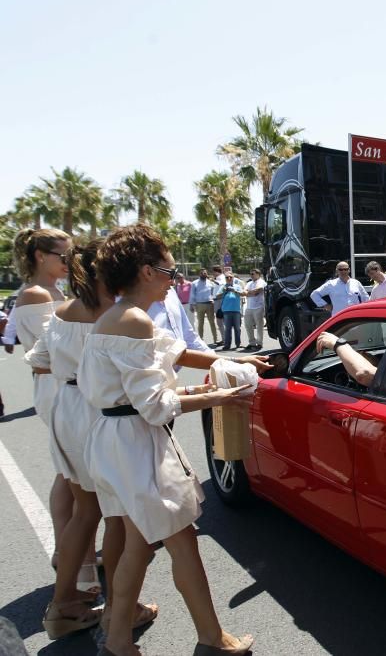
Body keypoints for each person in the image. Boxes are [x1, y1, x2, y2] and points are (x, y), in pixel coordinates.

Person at [78, 224, 255, 656]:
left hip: (112, 441)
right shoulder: (134, 320)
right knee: (182, 542)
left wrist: (233, 362)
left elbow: (169, 358)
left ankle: (117, 640)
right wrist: (221, 395)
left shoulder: (113, 317)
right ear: (144, 271)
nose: (173, 279)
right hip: (137, 445)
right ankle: (213, 640)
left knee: (138, 545)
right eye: (167, 270)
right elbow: (155, 407)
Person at [26, 240, 159, 643]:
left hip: (65, 408)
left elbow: (37, 359)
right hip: (95, 413)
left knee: (85, 513)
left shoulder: (63, 310)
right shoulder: (115, 316)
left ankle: (62, 604)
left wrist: (69, 371)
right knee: (117, 516)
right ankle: (123, 610)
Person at [10, 229, 100, 594]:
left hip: (65, 383)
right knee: (73, 476)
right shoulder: (34, 295)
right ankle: (76, 562)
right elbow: (54, 349)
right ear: (39, 256)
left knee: (71, 476)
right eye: (63, 256)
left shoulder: (55, 292)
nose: (69, 262)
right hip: (56, 386)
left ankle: (73, 554)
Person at [215, 273, 245, 350]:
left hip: (236, 310)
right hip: (226, 310)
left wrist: (234, 290)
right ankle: (227, 344)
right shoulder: (223, 287)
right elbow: (217, 296)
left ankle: (238, 343)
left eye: (230, 277)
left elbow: (243, 293)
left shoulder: (237, 286)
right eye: (227, 277)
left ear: (233, 278)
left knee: (237, 328)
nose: (229, 278)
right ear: (225, 279)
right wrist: (224, 291)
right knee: (227, 329)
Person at [190, 268, 218, 344]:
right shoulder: (194, 283)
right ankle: (201, 339)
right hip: (199, 305)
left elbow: (214, 292)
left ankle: (216, 339)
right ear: (199, 274)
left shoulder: (210, 283)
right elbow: (192, 294)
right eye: (202, 273)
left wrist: (213, 300)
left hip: (209, 304)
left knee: (212, 322)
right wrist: (191, 304)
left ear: (207, 274)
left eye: (205, 273)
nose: (204, 274)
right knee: (200, 323)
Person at [243, 268, 266, 350]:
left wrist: (248, 293)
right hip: (249, 307)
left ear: (258, 274)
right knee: (248, 325)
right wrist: (250, 293)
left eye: (253, 274)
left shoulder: (261, 282)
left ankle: (259, 343)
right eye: (250, 274)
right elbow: (244, 292)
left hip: (258, 307)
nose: (251, 275)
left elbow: (257, 292)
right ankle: (252, 343)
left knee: (259, 326)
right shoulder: (249, 283)